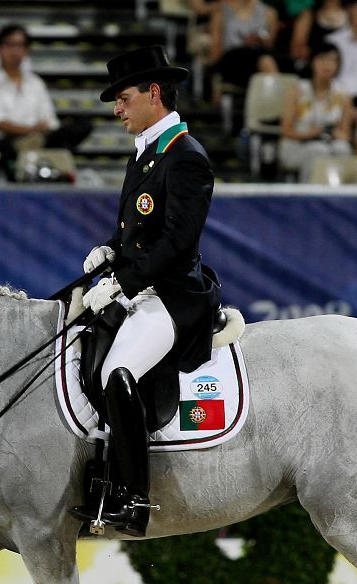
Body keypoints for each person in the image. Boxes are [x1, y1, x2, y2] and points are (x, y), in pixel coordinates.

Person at [70, 46, 220, 537]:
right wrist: (109, 250)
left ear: (154, 93)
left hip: (173, 296)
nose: (117, 109)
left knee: (118, 372)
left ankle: (133, 498)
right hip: (140, 288)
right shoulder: (146, 151)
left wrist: (122, 283)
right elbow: (137, 228)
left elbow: (178, 243)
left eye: (124, 98)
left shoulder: (186, 156)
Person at [0, 24, 91, 177]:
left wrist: (39, 132)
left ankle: (54, 165)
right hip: (7, 142)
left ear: (26, 50)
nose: (15, 51)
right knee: (13, 145)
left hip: (41, 138)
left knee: (82, 125)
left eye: (20, 45)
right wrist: (31, 130)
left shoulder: (35, 82)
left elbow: (49, 121)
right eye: (10, 45)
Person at [279, 43, 354, 180]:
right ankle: (309, 190)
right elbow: (286, 130)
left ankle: (338, 190)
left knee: (343, 149)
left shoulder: (343, 95)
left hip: (329, 143)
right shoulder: (296, 91)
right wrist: (309, 134)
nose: (327, 65)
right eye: (322, 59)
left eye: (333, 60)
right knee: (319, 150)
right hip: (297, 145)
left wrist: (335, 134)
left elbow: (345, 134)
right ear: (312, 62)